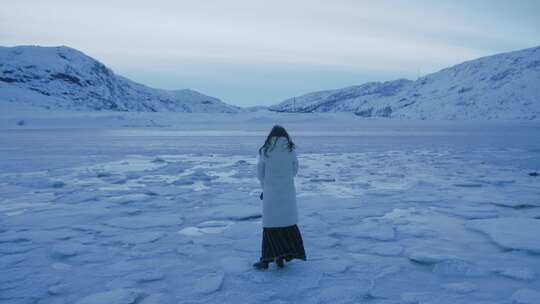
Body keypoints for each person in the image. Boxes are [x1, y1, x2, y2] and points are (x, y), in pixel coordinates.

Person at [253, 125, 306, 270]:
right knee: (286, 224)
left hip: (271, 193)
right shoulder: (290, 150)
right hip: (287, 193)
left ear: (271, 136)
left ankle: (266, 260)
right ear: (285, 135)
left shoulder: (265, 150)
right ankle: (282, 256)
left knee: (271, 226)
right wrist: (286, 180)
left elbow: (260, 172)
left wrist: (266, 186)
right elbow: (295, 169)